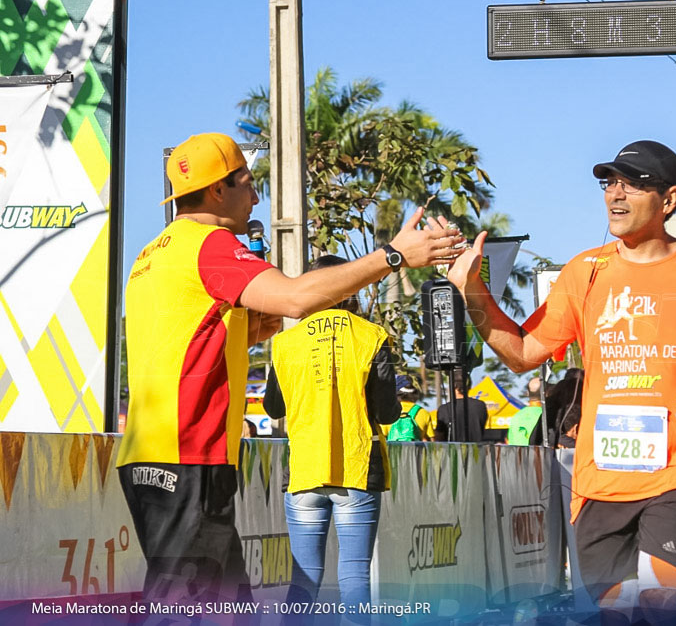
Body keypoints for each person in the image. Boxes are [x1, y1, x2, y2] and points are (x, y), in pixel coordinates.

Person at [116, 132, 461, 604]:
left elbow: (193, 341)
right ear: (218, 190)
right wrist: (393, 257)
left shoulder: (154, 252)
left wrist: (253, 328)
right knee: (187, 608)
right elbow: (298, 298)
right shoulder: (210, 245)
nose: (257, 196)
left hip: (151, 454)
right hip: (188, 455)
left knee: (219, 606)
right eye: (248, 182)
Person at [446, 140, 676, 621]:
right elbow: (520, 353)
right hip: (600, 483)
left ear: (669, 199)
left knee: (661, 610)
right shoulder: (585, 272)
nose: (616, 195)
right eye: (610, 183)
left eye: (634, 184)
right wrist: (471, 288)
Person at [262, 254, 399, 606]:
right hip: (357, 467)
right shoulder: (372, 337)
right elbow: (385, 412)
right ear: (350, 286)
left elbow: (274, 408)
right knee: (354, 575)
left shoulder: (285, 343)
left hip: (304, 472)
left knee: (303, 577)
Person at [434, 369, 488, 442]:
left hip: (452, 451)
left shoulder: (444, 409)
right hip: (476, 451)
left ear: (453, 386)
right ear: (469, 386)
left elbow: (439, 436)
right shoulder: (480, 406)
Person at [383, 375, 434, 442]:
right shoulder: (424, 413)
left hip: (393, 451)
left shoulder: (388, 412)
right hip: (416, 451)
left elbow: (382, 436)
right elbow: (432, 440)